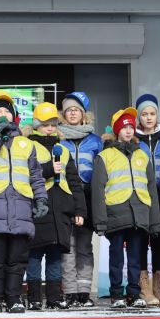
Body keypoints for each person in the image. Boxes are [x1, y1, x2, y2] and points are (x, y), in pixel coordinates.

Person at [0, 92, 48, 313]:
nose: (3, 114)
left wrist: (41, 198)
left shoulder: (26, 144)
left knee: (17, 258)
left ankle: (14, 298)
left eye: (6, 111)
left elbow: (36, 175)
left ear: (14, 116)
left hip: (21, 208)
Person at [91, 107, 160, 309]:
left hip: (139, 213)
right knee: (116, 257)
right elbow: (98, 190)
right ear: (116, 131)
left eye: (131, 126)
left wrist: (154, 222)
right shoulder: (105, 156)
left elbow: (151, 190)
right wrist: (100, 221)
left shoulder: (142, 156)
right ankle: (116, 294)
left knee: (136, 257)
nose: (128, 131)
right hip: (116, 213)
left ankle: (134, 293)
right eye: (124, 127)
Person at [25, 103, 86, 310]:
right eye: (45, 124)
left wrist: (79, 210)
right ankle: (33, 298)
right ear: (36, 126)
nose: (50, 128)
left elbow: (74, 182)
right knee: (34, 255)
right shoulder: (27, 146)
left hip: (61, 209)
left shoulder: (64, 149)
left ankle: (53, 298)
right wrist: (49, 169)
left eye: (53, 124)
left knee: (55, 255)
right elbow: (24, 174)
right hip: (38, 207)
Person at [58, 92, 103, 307]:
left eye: (76, 109)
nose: (73, 112)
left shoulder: (95, 141)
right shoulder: (58, 138)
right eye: (69, 110)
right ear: (63, 115)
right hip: (65, 196)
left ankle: (84, 291)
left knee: (84, 246)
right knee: (68, 247)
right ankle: (69, 292)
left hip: (87, 197)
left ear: (84, 114)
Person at [135, 94, 160, 306]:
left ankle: (158, 288)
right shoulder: (133, 141)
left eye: (152, 113)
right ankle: (144, 288)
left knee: (159, 242)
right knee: (141, 241)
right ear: (138, 117)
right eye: (144, 114)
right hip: (140, 198)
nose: (149, 118)